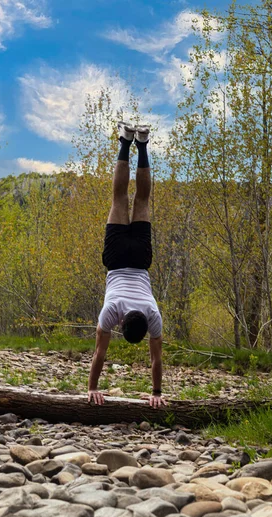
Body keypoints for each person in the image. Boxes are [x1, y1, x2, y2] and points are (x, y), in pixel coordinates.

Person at [88, 121, 166, 409]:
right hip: (118, 258)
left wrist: (157, 391)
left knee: (140, 200)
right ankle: (126, 141)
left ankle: (140, 141)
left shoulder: (153, 314)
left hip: (141, 260)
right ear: (122, 323)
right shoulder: (111, 312)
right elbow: (102, 354)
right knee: (121, 199)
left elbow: (100, 354)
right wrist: (155, 393)